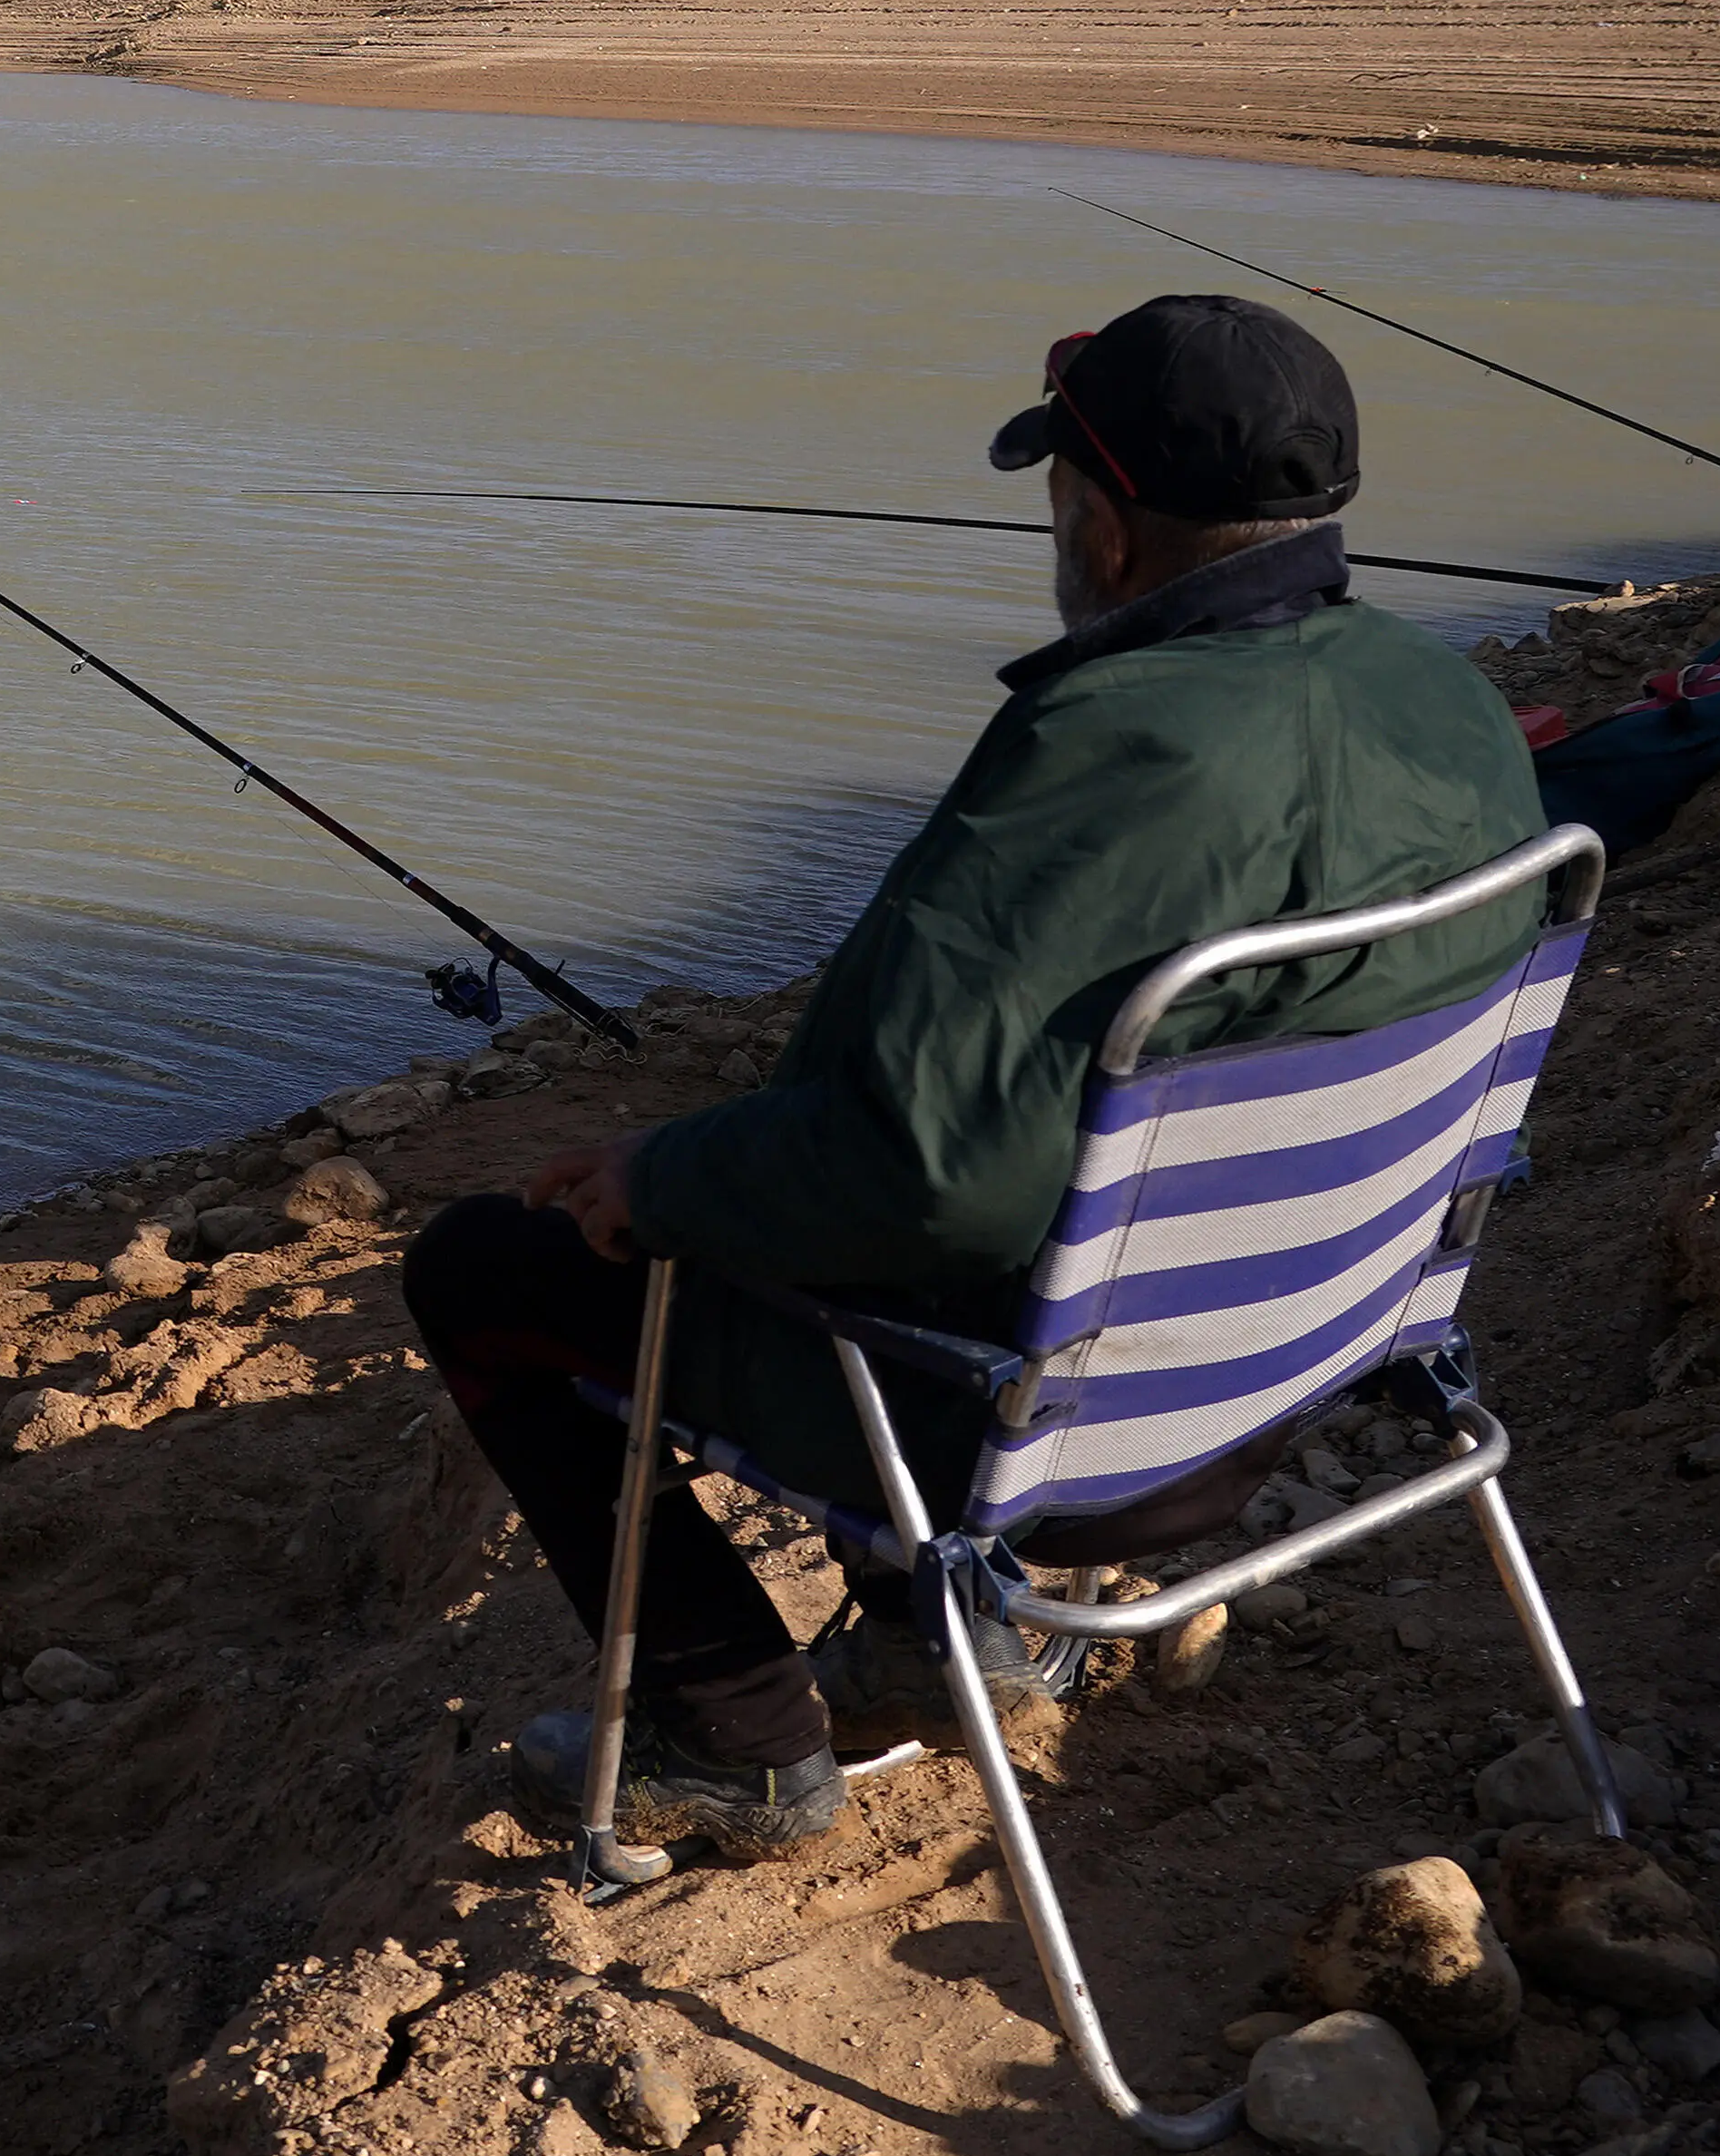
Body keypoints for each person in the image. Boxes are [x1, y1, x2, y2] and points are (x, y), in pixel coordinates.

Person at [401, 294, 1548, 1858]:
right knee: (968, 1181)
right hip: (1301, 1357)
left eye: (1061, 501)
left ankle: (730, 1742)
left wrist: (661, 1173)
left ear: (1108, 528)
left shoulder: (1100, 746)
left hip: (1071, 1449)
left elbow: (920, 1175)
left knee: (483, 1270)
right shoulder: (1450, 699)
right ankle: (943, 1641)